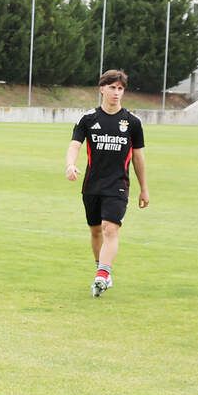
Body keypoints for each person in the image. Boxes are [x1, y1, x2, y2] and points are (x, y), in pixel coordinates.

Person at [64, 69, 149, 297]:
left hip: (118, 185)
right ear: (102, 89)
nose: (116, 92)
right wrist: (70, 165)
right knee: (95, 232)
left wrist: (144, 189)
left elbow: (138, 158)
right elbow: (75, 144)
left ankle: (102, 274)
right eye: (112, 87)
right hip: (92, 185)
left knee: (110, 229)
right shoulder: (88, 119)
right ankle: (101, 269)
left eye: (120, 88)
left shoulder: (132, 122)